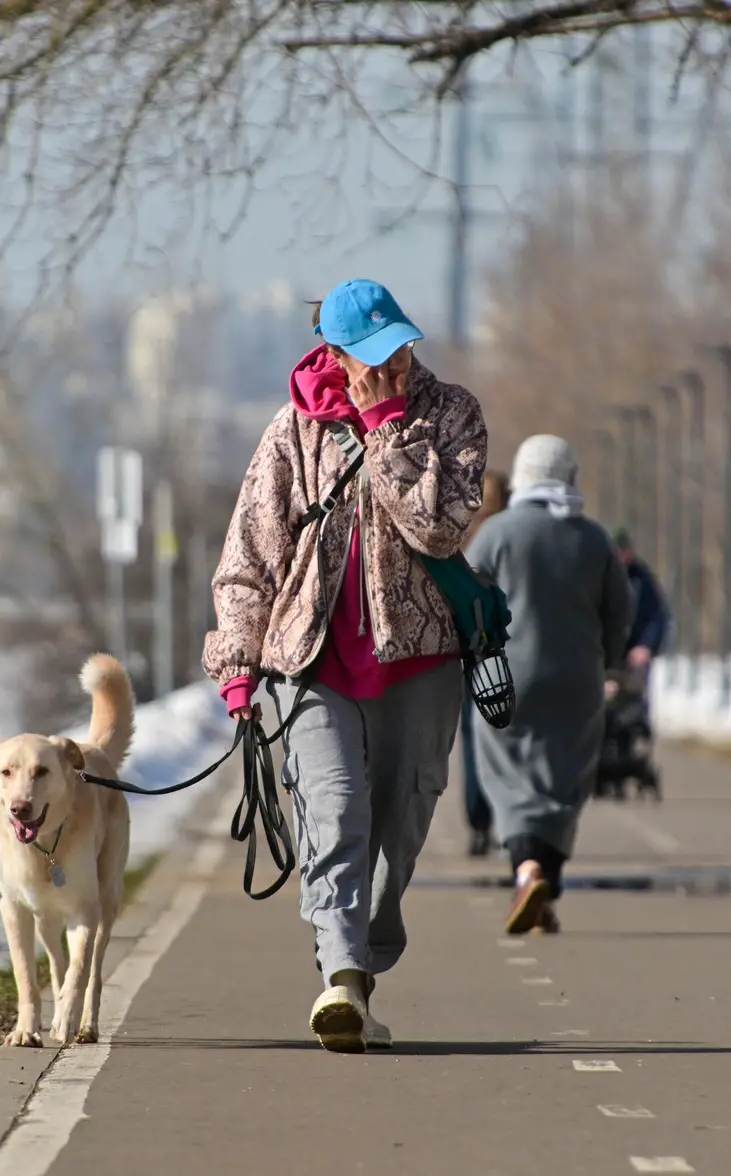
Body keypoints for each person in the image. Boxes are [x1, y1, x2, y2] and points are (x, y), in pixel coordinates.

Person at [205, 278, 488, 1052]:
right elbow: (248, 554)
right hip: (313, 662)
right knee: (332, 817)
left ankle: (366, 954)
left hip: (421, 658)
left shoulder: (450, 414)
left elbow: (440, 529)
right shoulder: (291, 430)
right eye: (367, 354)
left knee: (400, 823)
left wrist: (386, 429)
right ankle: (340, 981)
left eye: (396, 345)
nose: (389, 361)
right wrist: (237, 658)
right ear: (329, 351)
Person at [466, 435, 631, 936]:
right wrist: (612, 663)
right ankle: (544, 886)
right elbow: (620, 613)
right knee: (564, 779)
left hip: (508, 678)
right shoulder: (595, 539)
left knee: (507, 774)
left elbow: (465, 595)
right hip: (577, 679)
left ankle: (527, 870)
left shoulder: (497, 533)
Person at [461, 469, 511, 858]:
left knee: (473, 739)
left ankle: (479, 823)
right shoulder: (511, 533)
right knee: (511, 738)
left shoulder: (461, 532)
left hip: (468, 650)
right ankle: (509, 818)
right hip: (507, 650)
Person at [612, 528, 671, 694]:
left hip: (632, 652)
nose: (621, 556)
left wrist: (645, 645)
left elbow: (656, 616)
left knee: (633, 696)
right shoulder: (596, 577)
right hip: (602, 653)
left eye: (624, 551)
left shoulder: (641, 579)